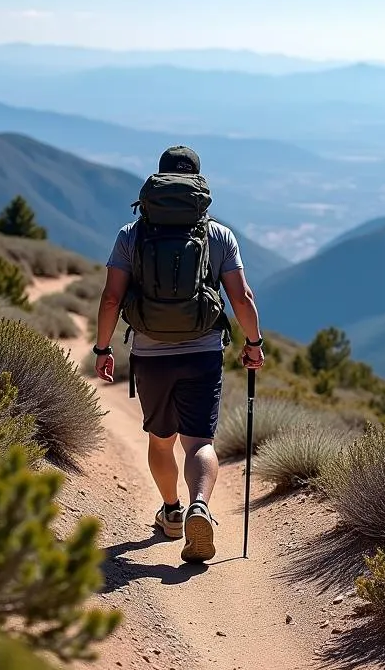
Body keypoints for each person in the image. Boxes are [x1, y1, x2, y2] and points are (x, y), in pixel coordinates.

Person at [93, 145, 265, 564]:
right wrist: (254, 343)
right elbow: (240, 296)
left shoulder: (130, 234)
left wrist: (102, 348)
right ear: (199, 186)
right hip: (202, 351)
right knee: (198, 441)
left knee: (161, 440)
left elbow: (112, 297)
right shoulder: (218, 235)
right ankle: (200, 507)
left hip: (151, 354)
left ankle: (171, 513)